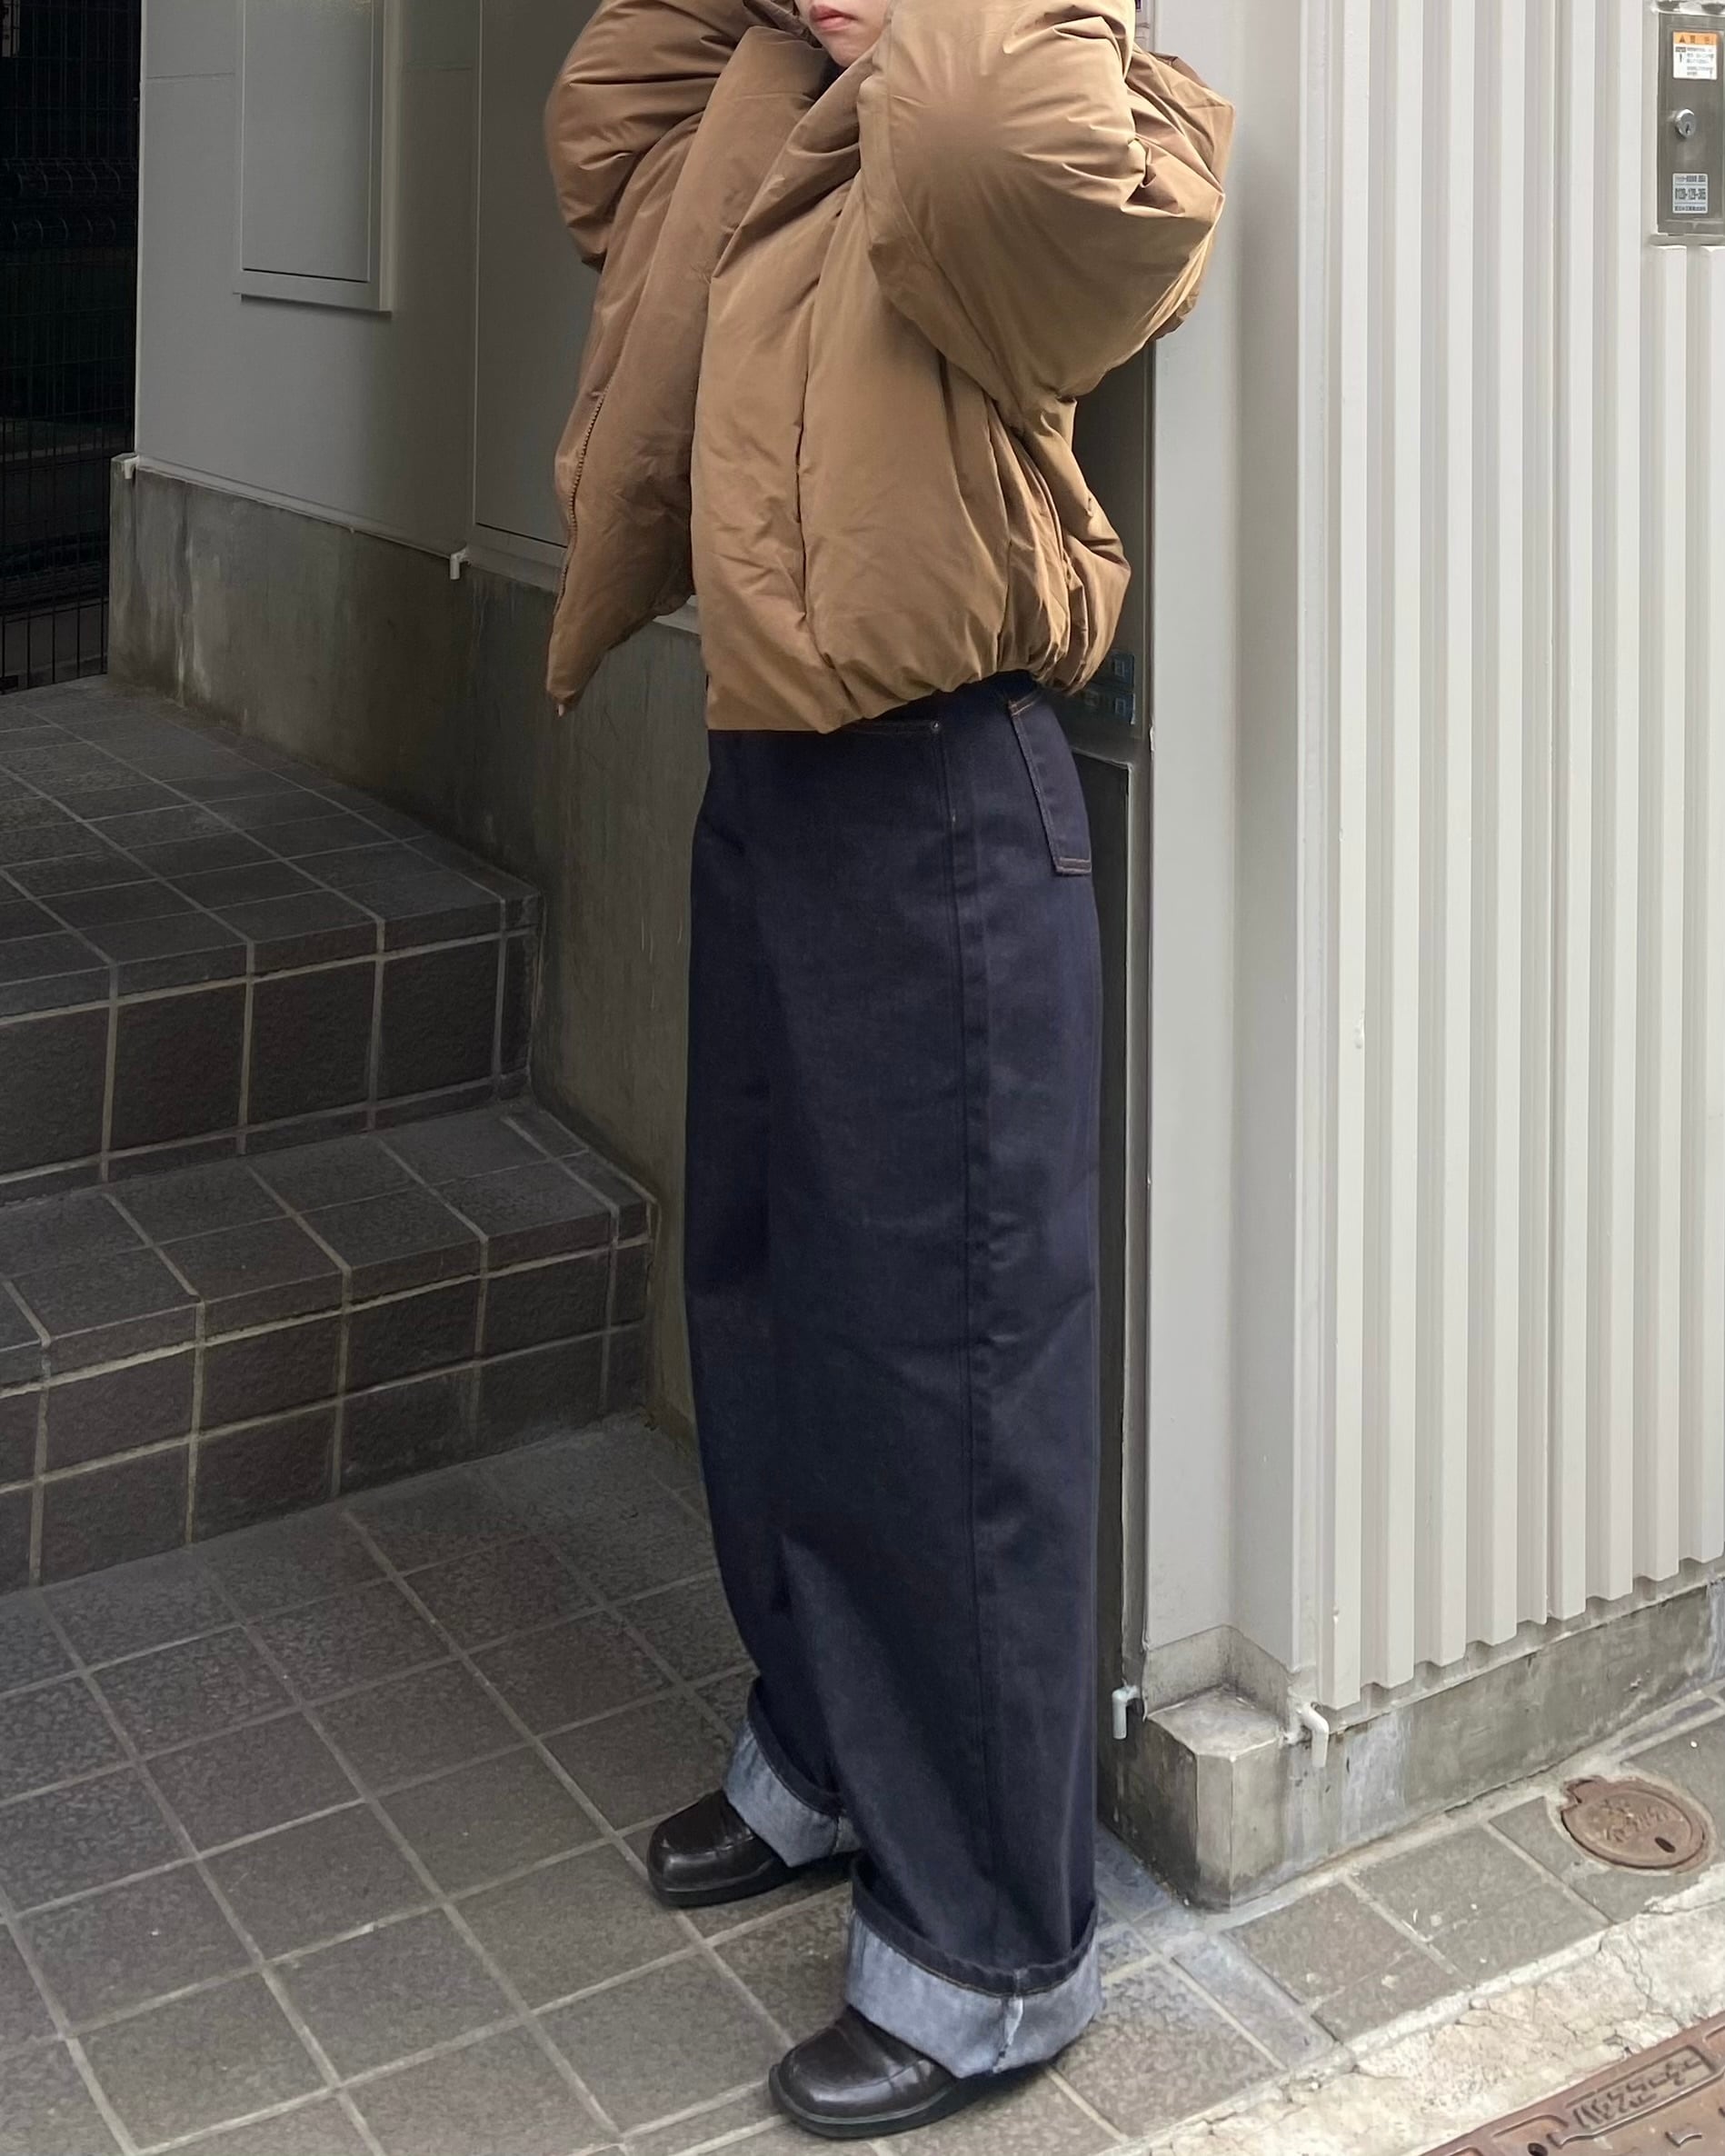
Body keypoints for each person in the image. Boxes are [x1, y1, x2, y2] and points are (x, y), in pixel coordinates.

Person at [543, 0, 1232, 2135]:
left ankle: (990, 1944)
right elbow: (601, 132)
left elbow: (1009, 146)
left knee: (952, 1367)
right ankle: (826, 1747)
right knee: (769, 1304)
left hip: (942, 775)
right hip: (772, 757)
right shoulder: (793, 97)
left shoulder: (1063, 110)